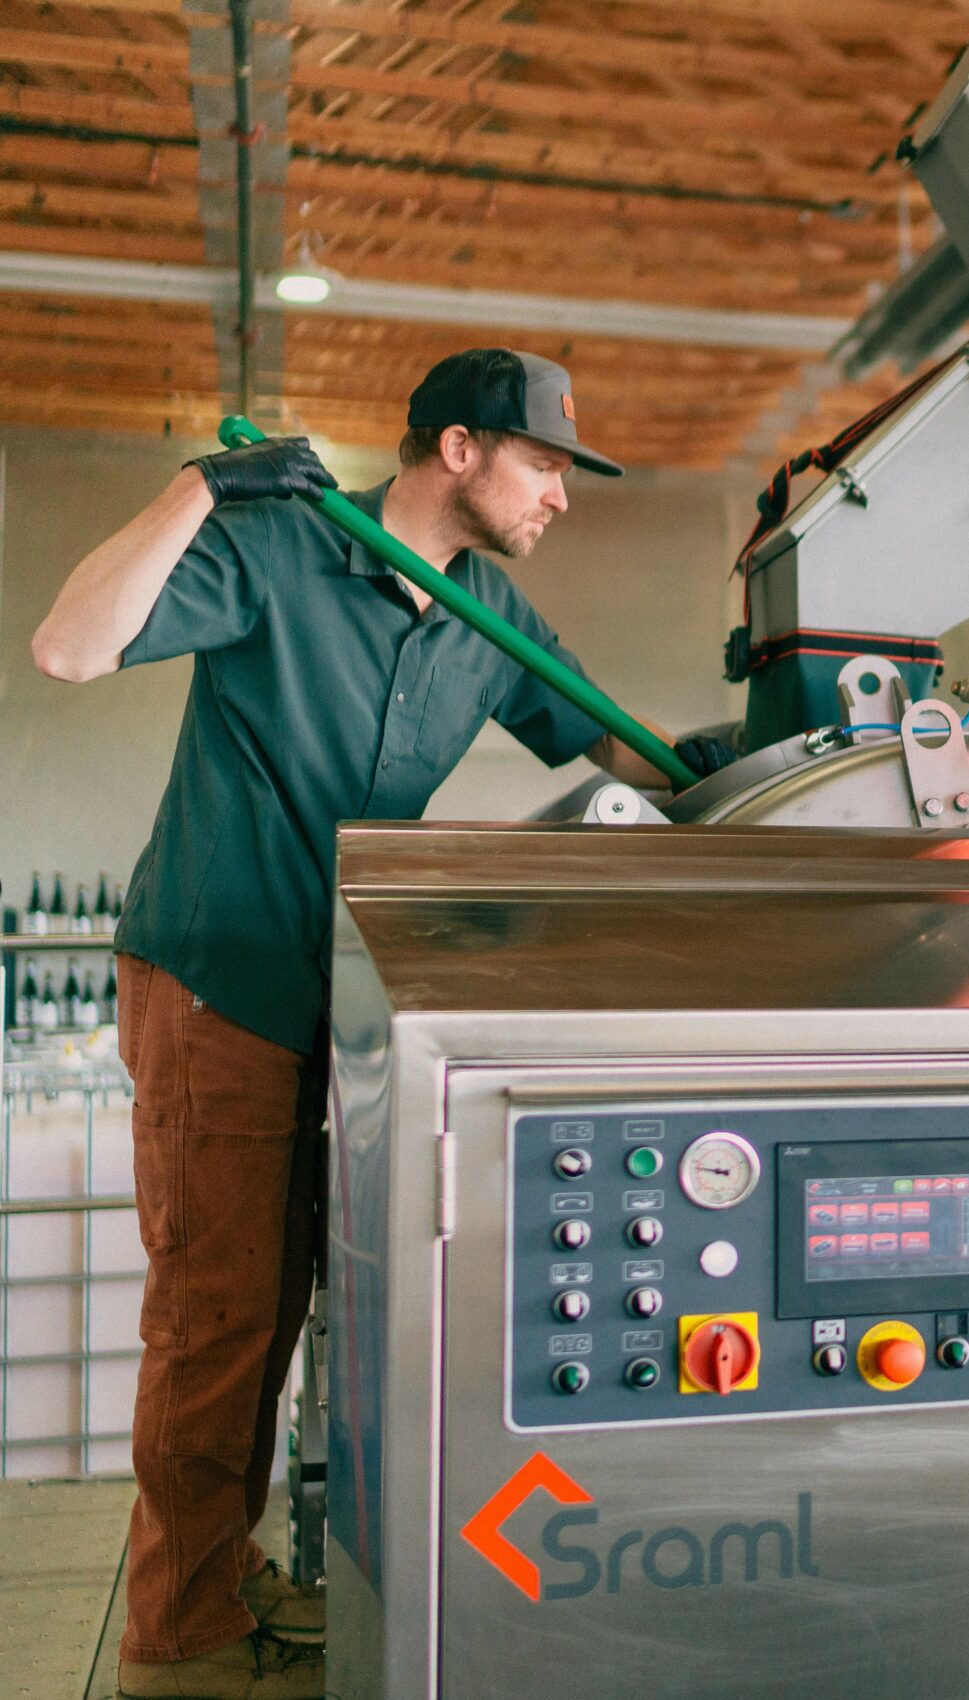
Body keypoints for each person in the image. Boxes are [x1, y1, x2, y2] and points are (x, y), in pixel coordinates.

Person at [29, 349, 734, 1700]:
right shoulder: (283, 547)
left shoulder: (485, 611)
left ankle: (218, 1579)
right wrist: (202, 485)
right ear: (458, 449)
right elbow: (68, 647)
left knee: (282, 1310)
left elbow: (616, 746)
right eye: (544, 464)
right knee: (217, 1316)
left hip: (342, 1003)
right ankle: (175, 1640)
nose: (561, 496)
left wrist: (735, 763)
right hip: (219, 975)